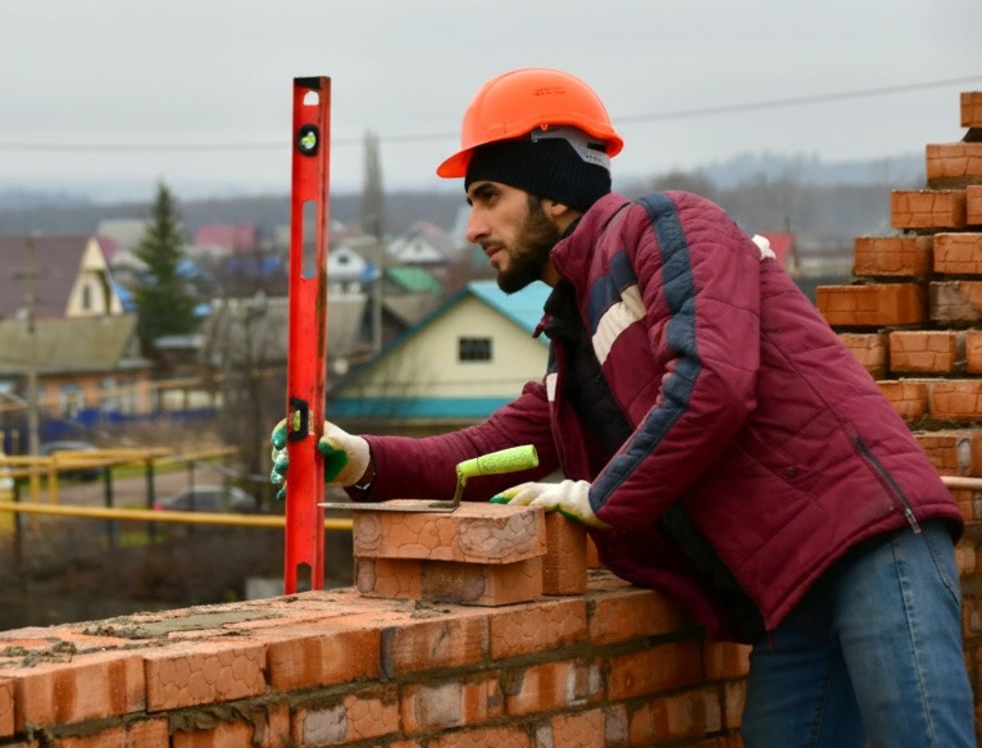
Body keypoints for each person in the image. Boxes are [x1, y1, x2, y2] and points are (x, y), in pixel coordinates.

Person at [271, 67, 971, 748]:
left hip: (869, 539)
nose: (473, 227)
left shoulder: (664, 227)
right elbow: (478, 454)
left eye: (488, 196)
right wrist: (358, 457)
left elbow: (712, 382)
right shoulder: (574, 347)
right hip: (789, 598)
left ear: (554, 193)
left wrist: (600, 496)